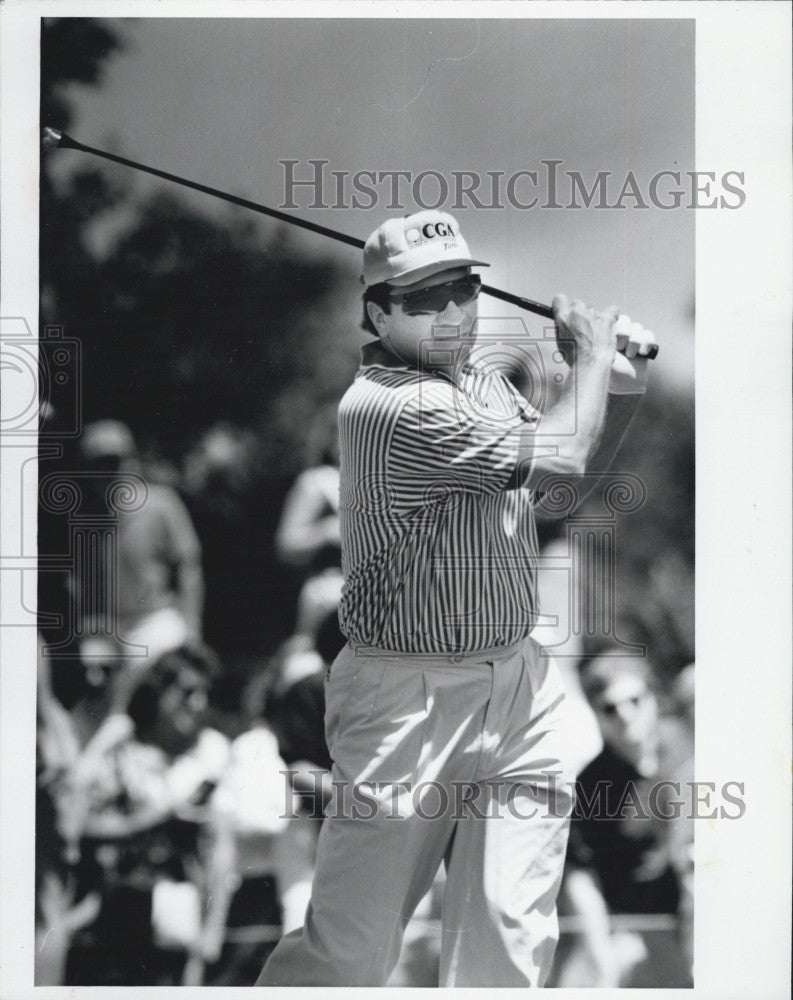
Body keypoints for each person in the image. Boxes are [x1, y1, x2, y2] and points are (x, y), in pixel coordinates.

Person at [257, 210, 657, 987]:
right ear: (377, 315)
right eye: (425, 297)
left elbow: (556, 494)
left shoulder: (478, 383)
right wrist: (594, 354)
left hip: (517, 688)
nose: (452, 310)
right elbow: (567, 453)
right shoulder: (385, 406)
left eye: (464, 288)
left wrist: (622, 384)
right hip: (405, 702)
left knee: (508, 944)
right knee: (347, 957)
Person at [559, 649, 693, 987]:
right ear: (595, 712)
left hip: (698, 915)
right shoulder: (591, 785)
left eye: (634, 700)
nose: (625, 714)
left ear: (651, 697)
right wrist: (599, 950)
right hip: (634, 929)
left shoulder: (688, 748)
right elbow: (580, 877)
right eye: (610, 707)